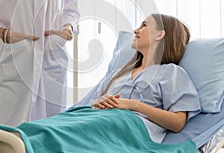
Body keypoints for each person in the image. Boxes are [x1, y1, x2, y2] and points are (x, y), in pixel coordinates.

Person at [74, 13, 200, 143]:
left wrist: (134, 105)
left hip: (122, 131)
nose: (135, 30)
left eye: (144, 25)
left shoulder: (171, 73)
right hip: (92, 121)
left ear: (160, 34)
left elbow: (177, 123)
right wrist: (100, 102)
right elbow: (90, 105)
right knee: (57, 128)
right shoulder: (118, 74)